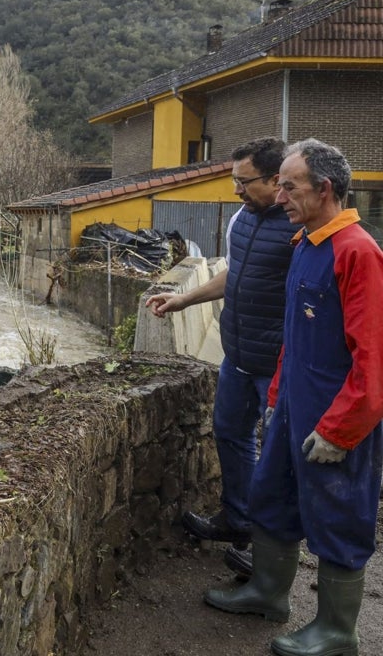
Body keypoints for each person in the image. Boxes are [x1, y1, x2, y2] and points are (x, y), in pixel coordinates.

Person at [204, 138, 383, 656]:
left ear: (324, 189)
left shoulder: (359, 253)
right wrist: (278, 398)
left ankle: (336, 632)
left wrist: (341, 429)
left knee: (338, 515)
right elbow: (293, 334)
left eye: (289, 185)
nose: (277, 195)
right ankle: (267, 592)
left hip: (334, 417)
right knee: (272, 496)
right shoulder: (305, 243)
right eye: (278, 184)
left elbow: (374, 362)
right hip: (292, 408)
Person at [146, 137, 292, 576]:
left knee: (279, 454)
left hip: (278, 365)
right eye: (234, 180)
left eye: (243, 182)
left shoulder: (301, 225)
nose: (236, 190)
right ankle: (237, 520)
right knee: (230, 434)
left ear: (274, 179)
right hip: (238, 355)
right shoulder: (243, 220)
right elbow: (235, 274)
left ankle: (271, 555)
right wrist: (184, 300)